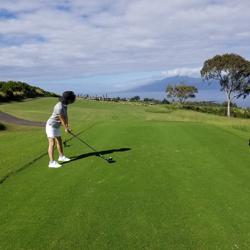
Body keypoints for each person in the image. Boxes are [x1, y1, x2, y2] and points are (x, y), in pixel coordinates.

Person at [45, 91, 76, 168]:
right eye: (71, 99)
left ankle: (61, 157)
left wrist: (67, 126)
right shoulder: (59, 107)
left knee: (59, 140)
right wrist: (66, 128)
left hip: (57, 126)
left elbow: (66, 116)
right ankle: (51, 162)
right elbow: (61, 119)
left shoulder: (65, 105)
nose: (72, 101)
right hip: (51, 126)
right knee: (52, 143)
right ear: (68, 99)